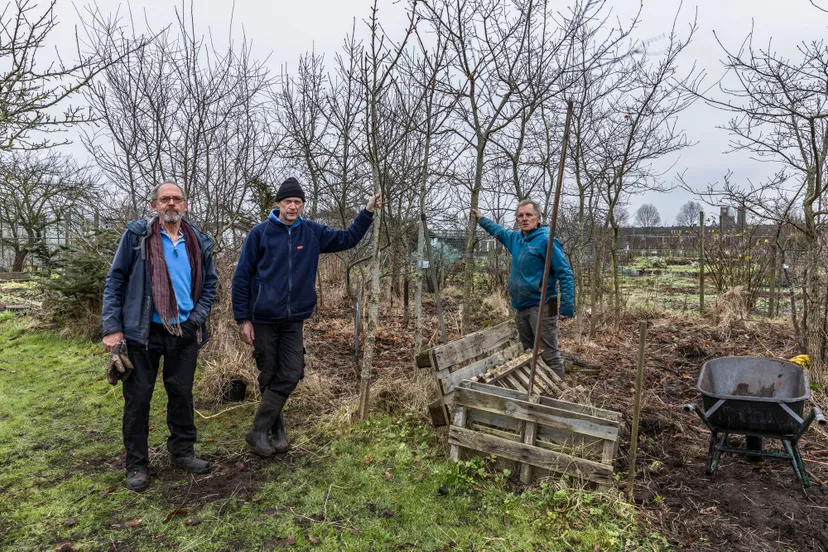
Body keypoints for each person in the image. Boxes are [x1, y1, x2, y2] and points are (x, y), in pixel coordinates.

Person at [232, 177, 380, 457]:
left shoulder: (311, 232)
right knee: (269, 373)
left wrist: (368, 212)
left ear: (302, 205)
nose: (293, 207)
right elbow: (241, 278)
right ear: (277, 204)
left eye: (298, 202)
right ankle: (275, 430)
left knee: (291, 372)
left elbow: (347, 238)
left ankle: (257, 430)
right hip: (262, 317)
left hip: (293, 319)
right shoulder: (260, 233)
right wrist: (243, 319)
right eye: (288, 202)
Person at [102, 181, 218, 492]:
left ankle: (182, 453)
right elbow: (115, 281)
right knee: (138, 400)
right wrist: (113, 328)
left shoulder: (199, 242)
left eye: (176, 199)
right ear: (154, 205)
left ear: (186, 205)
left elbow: (209, 286)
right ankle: (137, 464)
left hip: (185, 332)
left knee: (181, 394)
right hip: (143, 331)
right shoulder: (138, 236)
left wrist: (196, 320)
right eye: (164, 199)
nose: (171, 204)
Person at [472, 199, 574, 378]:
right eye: (520, 215)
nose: (524, 219)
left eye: (529, 215)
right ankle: (536, 386)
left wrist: (567, 306)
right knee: (527, 351)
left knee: (548, 353)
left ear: (538, 217)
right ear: (517, 219)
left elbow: (565, 273)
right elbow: (499, 231)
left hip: (543, 305)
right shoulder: (516, 239)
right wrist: (481, 219)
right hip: (521, 306)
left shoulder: (547, 240)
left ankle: (560, 394)